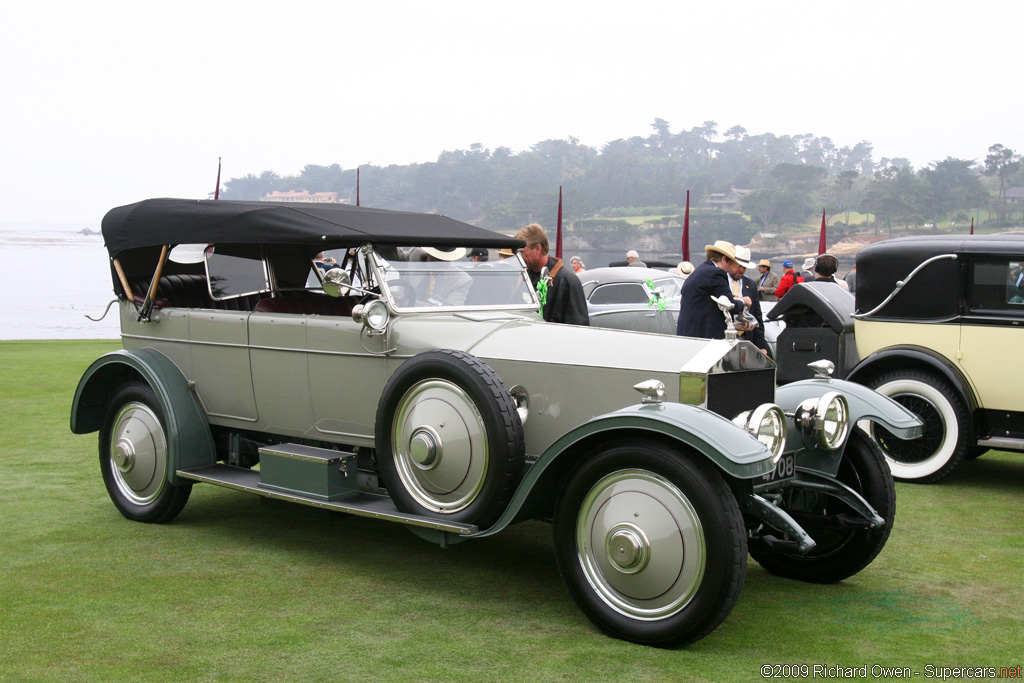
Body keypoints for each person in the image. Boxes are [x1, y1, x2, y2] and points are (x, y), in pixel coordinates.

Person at [514, 223, 589, 325]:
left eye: (522, 252)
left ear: (538, 248)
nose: (519, 256)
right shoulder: (523, 277)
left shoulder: (567, 280)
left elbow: (579, 325)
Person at [676, 240, 749, 340]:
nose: (729, 268)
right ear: (723, 259)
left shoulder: (700, 270)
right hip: (705, 334)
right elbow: (729, 305)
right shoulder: (716, 273)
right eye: (730, 263)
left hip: (688, 330)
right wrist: (743, 302)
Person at [730, 246, 769, 354]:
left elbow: (757, 314)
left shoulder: (750, 284)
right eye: (739, 266)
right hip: (725, 336)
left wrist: (761, 346)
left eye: (744, 267)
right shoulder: (721, 282)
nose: (741, 270)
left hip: (746, 338)